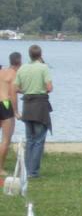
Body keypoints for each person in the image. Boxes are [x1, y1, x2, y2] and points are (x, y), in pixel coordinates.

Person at [12, 45, 53, 179]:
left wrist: (26, 90)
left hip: (27, 106)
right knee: (39, 140)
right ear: (40, 54)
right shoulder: (43, 67)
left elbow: (15, 88)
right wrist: (40, 89)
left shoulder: (22, 68)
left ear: (29, 55)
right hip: (40, 106)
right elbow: (49, 88)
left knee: (30, 139)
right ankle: (33, 172)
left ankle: (27, 170)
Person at [0, 52, 22, 176]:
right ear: (19, 62)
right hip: (5, 104)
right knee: (6, 139)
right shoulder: (14, 74)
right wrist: (16, 112)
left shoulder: (1, 71)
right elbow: (13, 94)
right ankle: (0, 168)